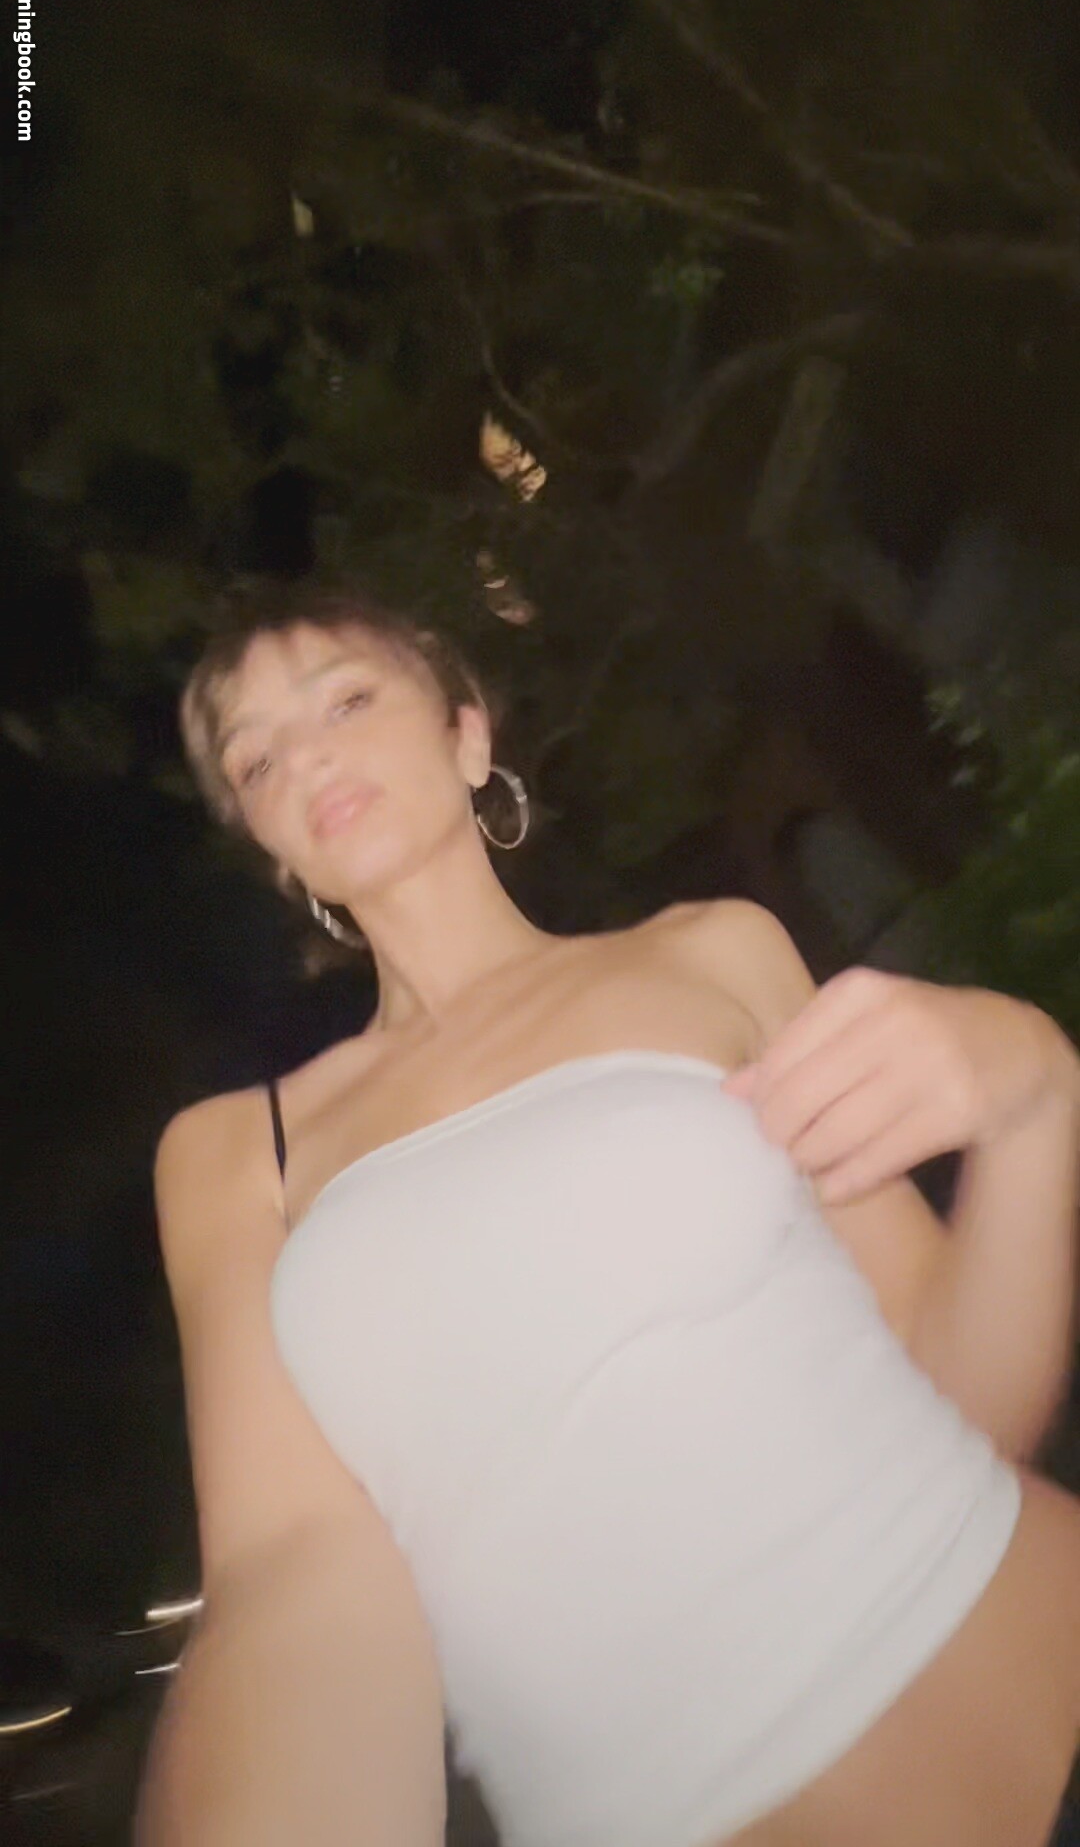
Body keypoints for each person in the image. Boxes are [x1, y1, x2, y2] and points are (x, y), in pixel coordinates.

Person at [136, 581, 1080, 1847]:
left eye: (346, 701)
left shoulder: (712, 951)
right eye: (256, 760)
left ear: (469, 735)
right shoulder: (234, 1155)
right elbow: (287, 1578)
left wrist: (1039, 1097)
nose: (303, 756)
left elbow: (966, 1397)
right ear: (272, 847)